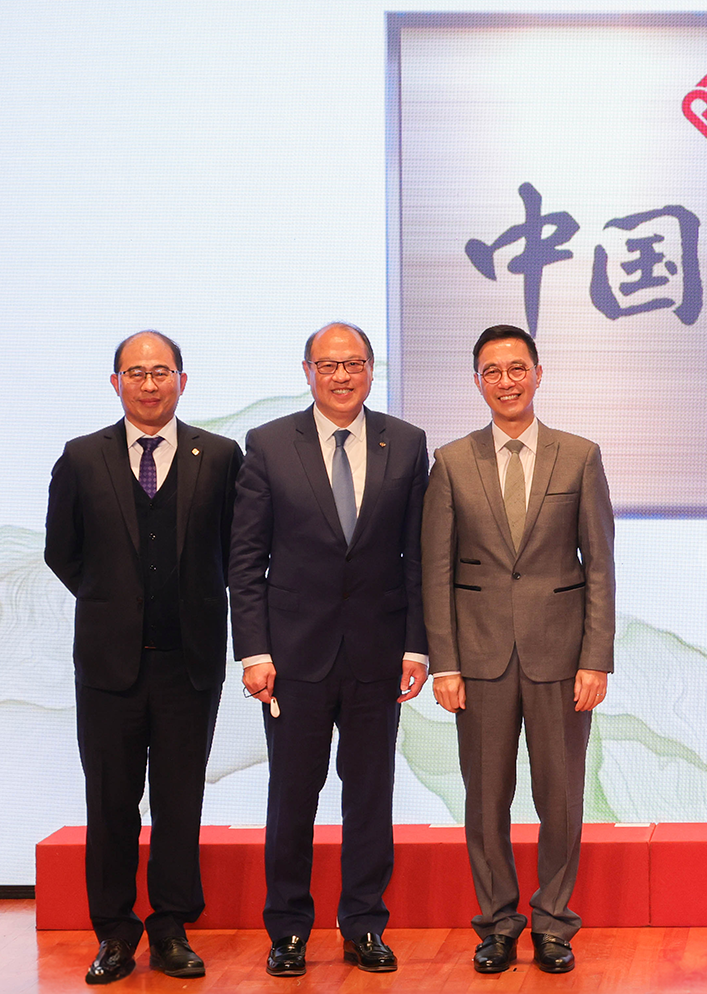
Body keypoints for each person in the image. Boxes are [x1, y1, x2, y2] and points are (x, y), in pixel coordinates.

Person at [228, 322, 429, 976]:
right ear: (307, 371)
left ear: (372, 369)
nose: (342, 376)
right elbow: (246, 558)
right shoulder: (267, 444)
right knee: (293, 796)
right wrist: (253, 650)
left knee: (369, 795)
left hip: (377, 654)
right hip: (293, 659)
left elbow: (417, 556)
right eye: (329, 365)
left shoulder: (405, 443)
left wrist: (417, 647)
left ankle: (363, 924)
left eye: (355, 364)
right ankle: (288, 929)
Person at [45, 331, 243, 984]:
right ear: (116, 383)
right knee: (110, 803)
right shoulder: (80, 458)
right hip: (108, 667)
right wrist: (113, 605)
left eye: (162, 371)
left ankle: (171, 927)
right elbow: (61, 552)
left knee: (179, 802)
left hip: (190, 664)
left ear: (183, 380)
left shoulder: (218, 456)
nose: (150, 383)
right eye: (137, 372)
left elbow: (232, 550)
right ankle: (114, 934)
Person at [424, 324, 614, 974]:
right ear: (477, 381)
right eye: (491, 371)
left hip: (563, 662)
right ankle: (498, 924)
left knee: (559, 797)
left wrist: (596, 658)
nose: (505, 381)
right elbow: (436, 571)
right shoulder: (450, 462)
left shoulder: (579, 455)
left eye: (516, 368)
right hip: (477, 663)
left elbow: (600, 566)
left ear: (537, 372)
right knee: (485, 801)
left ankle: (554, 924)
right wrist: (443, 663)